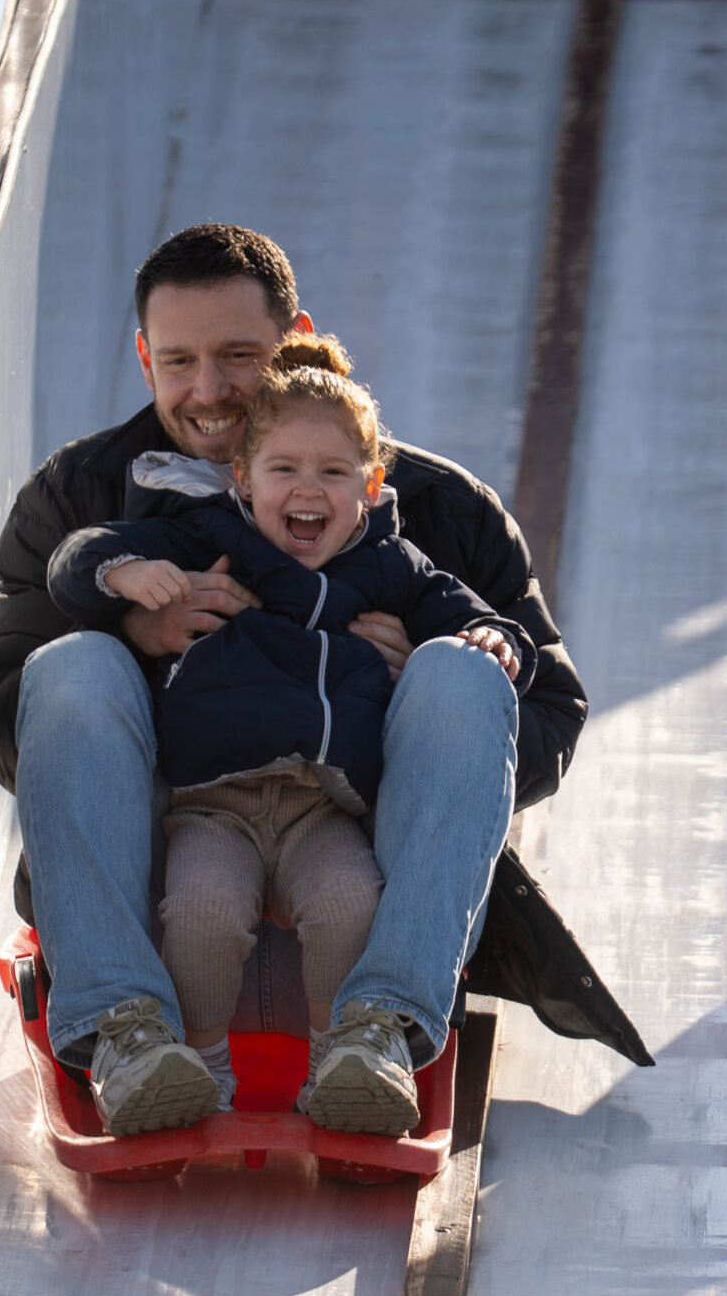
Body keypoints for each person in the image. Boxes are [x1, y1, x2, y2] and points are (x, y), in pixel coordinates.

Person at [0, 223, 603, 1140]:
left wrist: (410, 691)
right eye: (179, 360)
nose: (209, 390)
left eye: (238, 356)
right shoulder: (83, 496)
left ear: (296, 338)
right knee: (69, 662)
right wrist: (135, 636)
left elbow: (545, 709)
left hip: (363, 850)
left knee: (463, 671)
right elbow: (2, 709)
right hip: (168, 849)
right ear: (144, 358)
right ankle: (126, 1032)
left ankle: (383, 1031)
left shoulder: (430, 511)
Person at [46, 336, 533, 1133]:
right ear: (242, 478)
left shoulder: (392, 565)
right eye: (284, 470)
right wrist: (122, 577)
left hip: (324, 808)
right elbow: (76, 557)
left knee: (349, 904)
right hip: (216, 804)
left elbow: (475, 615)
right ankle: (194, 1068)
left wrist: (490, 641)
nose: (308, 490)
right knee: (201, 910)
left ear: (370, 486)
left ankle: (347, 1062)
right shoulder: (212, 538)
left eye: (333, 472)